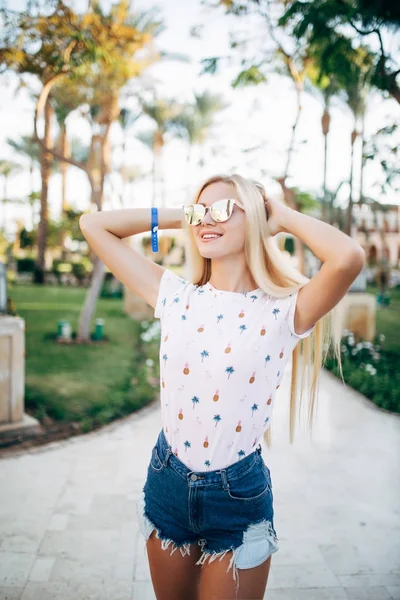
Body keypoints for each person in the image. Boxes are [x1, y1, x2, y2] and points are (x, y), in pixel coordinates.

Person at [79, 173, 365, 600]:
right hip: (167, 482)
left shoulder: (284, 312)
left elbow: (347, 258)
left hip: (237, 497)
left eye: (225, 209)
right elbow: (93, 225)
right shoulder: (174, 295)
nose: (208, 219)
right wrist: (189, 217)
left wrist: (280, 215)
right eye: (202, 210)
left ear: (255, 219)